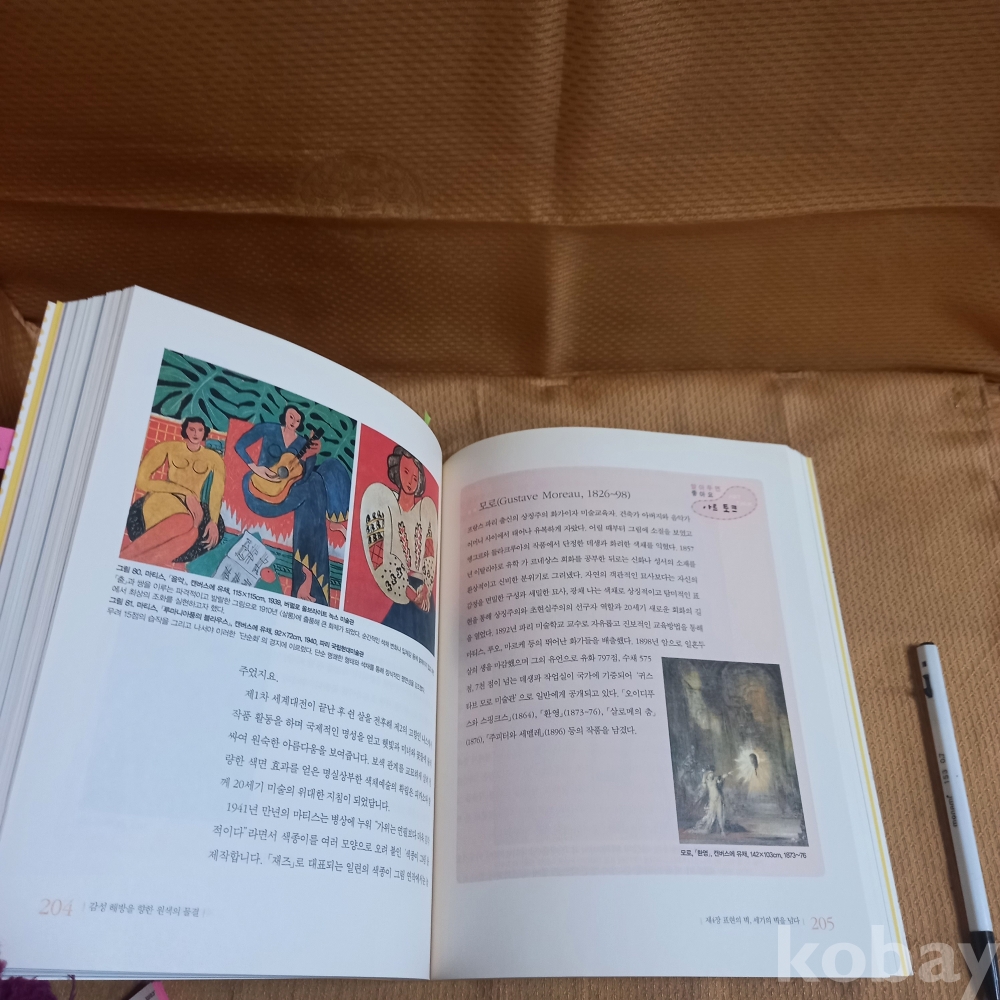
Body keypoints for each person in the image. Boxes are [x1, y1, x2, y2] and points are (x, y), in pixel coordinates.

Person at [235, 405, 351, 604]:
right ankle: (309, 582)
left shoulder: (302, 442)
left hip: (287, 494)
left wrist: (311, 456)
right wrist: (255, 468)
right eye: (291, 417)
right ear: (284, 415)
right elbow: (240, 445)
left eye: (297, 420)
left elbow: (303, 477)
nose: (293, 422)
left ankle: (306, 580)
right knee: (314, 486)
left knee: (324, 474)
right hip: (259, 491)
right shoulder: (269, 429)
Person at [360, 446, 437, 653]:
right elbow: (379, 559)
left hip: (424, 595)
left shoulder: (426, 510)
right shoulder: (380, 501)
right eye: (406, 472)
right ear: (396, 471)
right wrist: (410, 593)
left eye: (415, 476)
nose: (410, 480)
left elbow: (430, 552)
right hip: (397, 592)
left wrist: (426, 589)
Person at [122, 416, 226, 567]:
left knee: (193, 533)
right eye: (192, 429)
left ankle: (129, 558)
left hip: (191, 507)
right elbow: (142, 481)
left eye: (200, 430)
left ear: (205, 432)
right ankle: (130, 557)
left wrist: (213, 521)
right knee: (187, 523)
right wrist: (185, 492)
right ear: (185, 430)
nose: (195, 433)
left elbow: (216, 493)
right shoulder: (168, 447)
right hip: (163, 499)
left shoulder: (214, 458)